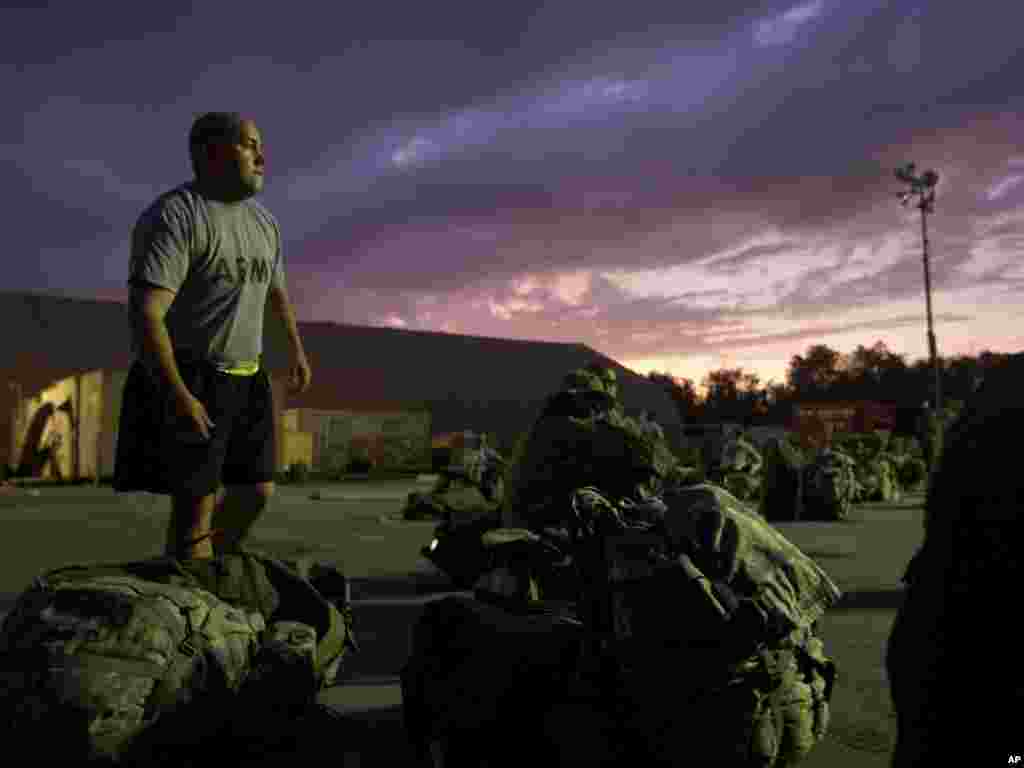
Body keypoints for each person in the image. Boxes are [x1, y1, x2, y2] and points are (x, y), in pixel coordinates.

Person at [114, 112, 311, 560]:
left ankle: (207, 574)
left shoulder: (265, 224)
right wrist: (178, 393)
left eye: (260, 144)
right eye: (247, 144)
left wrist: (295, 350)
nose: (261, 155)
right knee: (195, 508)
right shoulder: (176, 216)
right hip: (193, 375)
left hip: (249, 375)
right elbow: (146, 314)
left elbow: (275, 292)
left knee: (256, 491)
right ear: (209, 153)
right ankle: (191, 596)